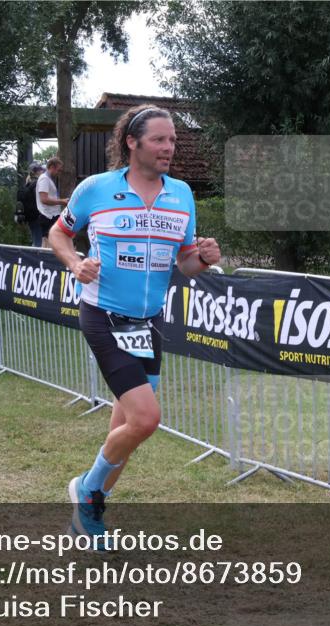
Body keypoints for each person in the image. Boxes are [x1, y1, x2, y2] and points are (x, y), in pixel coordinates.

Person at [48, 105, 221, 546]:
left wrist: (203, 258)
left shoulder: (181, 194)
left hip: (150, 323)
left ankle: (87, 519)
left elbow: (184, 263)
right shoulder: (96, 189)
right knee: (146, 420)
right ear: (132, 142)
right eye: (160, 140)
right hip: (103, 315)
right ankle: (86, 490)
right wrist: (74, 262)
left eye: (173, 141)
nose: (169, 148)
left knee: (124, 429)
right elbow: (59, 233)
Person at [34, 157, 68, 248]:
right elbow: (44, 199)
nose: (59, 173)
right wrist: (62, 201)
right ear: (52, 167)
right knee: (47, 245)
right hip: (47, 217)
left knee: (54, 243)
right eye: (59, 170)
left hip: (51, 216)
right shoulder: (44, 179)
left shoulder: (48, 179)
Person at [17, 162, 44, 236]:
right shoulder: (37, 184)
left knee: (35, 238)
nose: (42, 171)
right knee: (38, 241)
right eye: (40, 169)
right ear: (37, 171)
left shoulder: (27, 184)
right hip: (37, 216)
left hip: (30, 216)